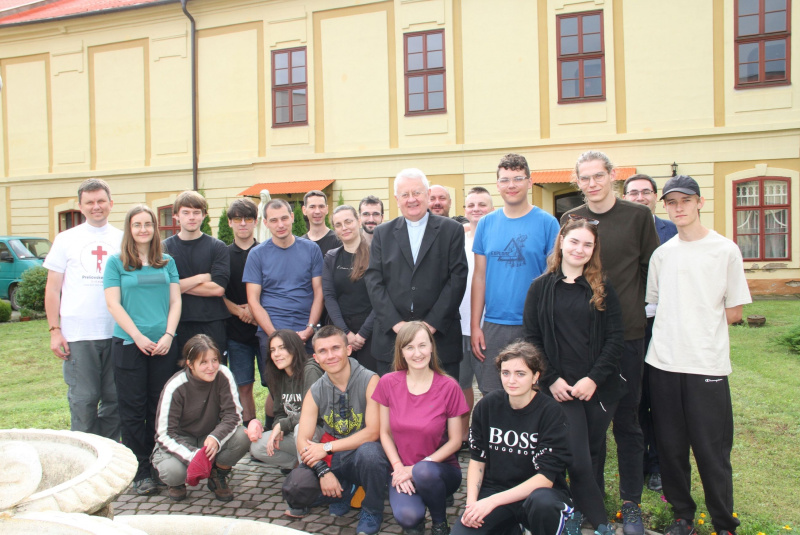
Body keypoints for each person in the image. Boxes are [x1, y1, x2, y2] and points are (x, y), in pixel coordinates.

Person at [646, 175, 751, 535]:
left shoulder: (725, 250)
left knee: (711, 450)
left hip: (706, 363)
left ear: (700, 202)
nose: (679, 208)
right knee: (670, 448)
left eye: (685, 201)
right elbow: (654, 304)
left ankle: (723, 522)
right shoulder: (663, 254)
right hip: (663, 363)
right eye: (672, 202)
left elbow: (734, 312)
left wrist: (696, 322)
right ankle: (682, 517)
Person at [561, 151, 660, 534]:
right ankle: (591, 502)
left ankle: (630, 503)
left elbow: (650, 269)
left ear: (612, 176)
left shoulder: (637, 217)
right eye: (584, 178)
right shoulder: (572, 219)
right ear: (577, 181)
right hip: (584, 341)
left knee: (628, 422)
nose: (592, 183)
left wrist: (639, 310)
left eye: (598, 176)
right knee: (590, 428)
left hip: (628, 336)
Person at [523, 217, 625, 534]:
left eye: (587, 244)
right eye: (574, 241)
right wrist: (551, 379)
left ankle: (578, 513)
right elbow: (532, 339)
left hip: (595, 387)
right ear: (561, 242)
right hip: (559, 389)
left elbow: (615, 338)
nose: (580, 249)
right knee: (576, 457)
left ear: (594, 249)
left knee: (593, 453)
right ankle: (601, 523)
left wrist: (593, 378)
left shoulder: (602, 287)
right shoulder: (540, 287)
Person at [452, 341, 574, 535]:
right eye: (506, 373)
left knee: (544, 504)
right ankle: (512, 528)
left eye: (520, 374)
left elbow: (545, 479)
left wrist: (492, 502)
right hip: (496, 490)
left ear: (535, 376)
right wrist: (472, 505)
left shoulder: (551, 412)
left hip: (537, 496)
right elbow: (477, 460)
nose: (511, 380)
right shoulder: (488, 406)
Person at [281, 325, 391, 535]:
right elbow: (303, 440)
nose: (330, 356)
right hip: (334, 457)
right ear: (316, 358)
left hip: (360, 454)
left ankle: (372, 510)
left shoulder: (370, 380)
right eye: (323, 351)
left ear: (348, 349)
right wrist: (323, 472)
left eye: (335, 348)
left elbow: (373, 432)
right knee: (295, 489)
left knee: (371, 453)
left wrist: (326, 448)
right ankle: (345, 489)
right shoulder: (315, 390)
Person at [103, 204, 182, 495]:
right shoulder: (116, 263)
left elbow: (175, 301)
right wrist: (137, 336)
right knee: (133, 408)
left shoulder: (167, 262)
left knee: (159, 407)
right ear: (129, 229)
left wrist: (169, 335)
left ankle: (158, 464)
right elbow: (113, 304)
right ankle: (139, 471)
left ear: (155, 228)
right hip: (129, 344)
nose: (143, 229)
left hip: (163, 346)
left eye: (148, 224)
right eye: (137, 224)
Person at [365, 168, 468, 377]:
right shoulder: (382, 233)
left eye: (417, 193)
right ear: (397, 199)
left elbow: (457, 279)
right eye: (405, 194)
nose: (411, 199)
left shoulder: (451, 230)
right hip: (392, 339)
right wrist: (397, 325)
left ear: (428, 194)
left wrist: (430, 326)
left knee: (442, 397)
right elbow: (374, 280)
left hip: (440, 338)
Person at [471, 154, 560, 393]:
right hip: (494, 324)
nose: (511, 185)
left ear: (530, 182)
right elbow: (479, 277)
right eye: (505, 180)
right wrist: (475, 325)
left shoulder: (548, 223)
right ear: (498, 185)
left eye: (518, 178)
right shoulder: (486, 224)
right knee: (493, 391)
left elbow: (553, 278)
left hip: (533, 324)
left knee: (534, 392)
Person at [373, 322, 469, 535]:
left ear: (432, 347)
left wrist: (416, 468)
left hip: (439, 470)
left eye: (422, 345)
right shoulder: (388, 383)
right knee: (408, 517)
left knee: (424, 471)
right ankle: (417, 512)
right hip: (401, 469)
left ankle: (439, 523)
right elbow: (385, 433)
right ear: (401, 352)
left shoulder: (449, 386)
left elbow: (455, 441)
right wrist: (399, 467)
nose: (417, 353)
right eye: (410, 347)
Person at [44, 178, 122, 440]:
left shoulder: (123, 240)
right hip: (79, 335)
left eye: (101, 201)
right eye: (89, 202)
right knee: (84, 399)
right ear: (80, 206)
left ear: (111, 203)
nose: (96, 206)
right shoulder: (66, 239)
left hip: (116, 332)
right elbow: (53, 289)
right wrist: (54, 330)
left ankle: (109, 454)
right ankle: (85, 451)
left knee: (114, 400)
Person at [623, 173, 678, 493]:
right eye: (634, 192)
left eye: (646, 192)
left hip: (663, 324)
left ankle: (658, 463)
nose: (640, 197)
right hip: (632, 324)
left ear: (655, 197)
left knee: (659, 397)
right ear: (626, 197)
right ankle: (640, 459)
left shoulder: (672, 231)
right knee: (635, 397)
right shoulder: (621, 228)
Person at [152, 334, 250, 502]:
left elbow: (233, 415)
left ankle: (217, 474)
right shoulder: (175, 386)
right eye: (203, 362)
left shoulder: (223, 374)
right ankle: (177, 483)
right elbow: (164, 434)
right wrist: (195, 456)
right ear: (190, 364)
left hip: (208, 437)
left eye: (214, 360)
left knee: (242, 436)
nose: (211, 367)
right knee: (173, 472)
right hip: (180, 440)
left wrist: (215, 437)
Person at [244, 199, 324, 354]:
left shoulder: (311, 249)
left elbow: (319, 292)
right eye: (274, 220)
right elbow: (253, 301)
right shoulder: (257, 254)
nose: (280, 225)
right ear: (266, 223)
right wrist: (275, 336)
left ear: (292, 217)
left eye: (284, 218)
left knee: (310, 371)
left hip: (307, 330)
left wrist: (310, 328)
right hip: (271, 331)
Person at [163, 191, 230, 364]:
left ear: (204, 215)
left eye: (196, 212)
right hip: (177, 322)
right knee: (181, 372)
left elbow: (217, 289)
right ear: (176, 215)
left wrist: (176, 286)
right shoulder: (164, 249)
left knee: (213, 370)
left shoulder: (217, 247)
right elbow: (162, 288)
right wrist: (200, 278)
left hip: (212, 322)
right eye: (186, 212)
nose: (191, 217)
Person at [248, 330, 323, 469]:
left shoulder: (310, 370)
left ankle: (307, 474)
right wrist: (279, 426)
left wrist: (283, 425)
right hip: (293, 430)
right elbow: (279, 412)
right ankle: (299, 466)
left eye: (282, 348)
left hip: (318, 432)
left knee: (301, 428)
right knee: (258, 447)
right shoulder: (278, 375)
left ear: (294, 348)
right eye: (272, 350)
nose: (276, 354)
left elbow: (315, 413)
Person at [457, 187, 494, 447]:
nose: (476, 209)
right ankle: (462, 436)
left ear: (492, 209)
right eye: (471, 205)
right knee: (461, 385)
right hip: (458, 324)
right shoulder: (457, 238)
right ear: (464, 210)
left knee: (490, 386)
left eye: (482, 204)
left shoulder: (497, 237)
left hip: (488, 325)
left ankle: (489, 437)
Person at [223, 198, 263, 426]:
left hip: (265, 328)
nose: (243, 223)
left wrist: (255, 310)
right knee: (243, 385)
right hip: (236, 332)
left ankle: (273, 427)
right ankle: (250, 429)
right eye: (237, 219)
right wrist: (240, 311)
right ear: (230, 222)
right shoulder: (222, 254)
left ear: (256, 222)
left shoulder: (266, 251)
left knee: (274, 384)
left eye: (248, 218)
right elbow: (218, 293)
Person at [323, 205, 377, 372]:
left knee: (371, 381)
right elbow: (329, 296)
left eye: (348, 222)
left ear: (359, 221)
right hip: (341, 330)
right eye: (338, 225)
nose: (344, 228)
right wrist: (346, 333)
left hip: (372, 331)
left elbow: (383, 297)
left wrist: (363, 334)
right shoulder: (331, 257)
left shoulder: (376, 254)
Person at [302, 190, 341, 255]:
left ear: (327, 209)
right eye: (312, 207)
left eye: (321, 206)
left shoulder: (338, 240)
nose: (317, 211)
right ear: (304, 210)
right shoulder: (301, 244)